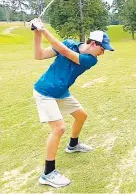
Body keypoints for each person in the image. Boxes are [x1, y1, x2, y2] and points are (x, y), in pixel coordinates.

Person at [30, 18, 114, 188]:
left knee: (81, 116)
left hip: (61, 92)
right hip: (45, 91)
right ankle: (48, 174)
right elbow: (39, 55)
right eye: (103, 48)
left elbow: (67, 53)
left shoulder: (91, 60)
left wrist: (44, 29)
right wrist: (37, 33)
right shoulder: (69, 43)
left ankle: (73, 145)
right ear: (94, 44)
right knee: (59, 128)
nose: (103, 52)